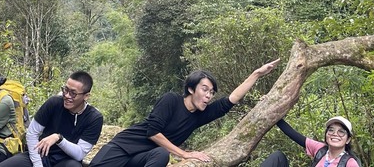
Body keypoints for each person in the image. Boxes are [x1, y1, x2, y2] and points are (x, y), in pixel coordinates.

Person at [89, 59, 280, 167]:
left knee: (162, 155)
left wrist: (256, 74)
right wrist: (185, 154)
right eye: (204, 89)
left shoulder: (200, 115)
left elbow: (229, 101)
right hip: (122, 149)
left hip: (142, 159)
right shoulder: (171, 100)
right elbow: (153, 132)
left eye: (212, 92)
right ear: (190, 89)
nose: (208, 95)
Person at [0, 70, 104, 167]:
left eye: (73, 93)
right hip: (40, 153)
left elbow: (79, 154)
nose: (67, 95)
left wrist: (59, 139)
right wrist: (37, 164)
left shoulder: (94, 118)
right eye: (66, 89)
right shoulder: (55, 103)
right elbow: (32, 133)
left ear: (86, 96)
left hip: (67, 161)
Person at [260, 116, 361, 167]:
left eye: (341, 132)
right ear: (326, 134)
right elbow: (292, 134)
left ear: (348, 139)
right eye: (331, 130)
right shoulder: (321, 149)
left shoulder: (350, 163)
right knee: (278, 157)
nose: (335, 134)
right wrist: (271, 111)